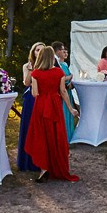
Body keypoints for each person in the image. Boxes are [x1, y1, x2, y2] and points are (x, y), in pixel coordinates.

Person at [24, 45, 79, 181]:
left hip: (41, 106)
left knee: (41, 136)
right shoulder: (59, 73)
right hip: (55, 105)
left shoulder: (36, 73)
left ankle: (44, 169)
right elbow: (63, 91)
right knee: (55, 134)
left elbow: (35, 93)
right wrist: (71, 108)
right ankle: (56, 165)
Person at [16, 42, 45, 173]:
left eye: (42, 50)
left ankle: (41, 161)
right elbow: (26, 82)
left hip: (43, 98)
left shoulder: (48, 66)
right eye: (37, 50)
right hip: (31, 99)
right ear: (33, 52)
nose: (39, 52)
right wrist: (31, 70)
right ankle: (26, 161)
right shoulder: (26, 66)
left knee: (42, 129)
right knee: (28, 127)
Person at [51, 41, 78, 141]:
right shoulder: (55, 63)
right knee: (63, 114)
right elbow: (58, 78)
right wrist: (69, 77)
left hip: (68, 91)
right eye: (62, 50)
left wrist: (71, 82)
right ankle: (63, 138)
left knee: (68, 114)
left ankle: (69, 137)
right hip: (61, 92)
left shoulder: (64, 64)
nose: (64, 52)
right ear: (57, 51)